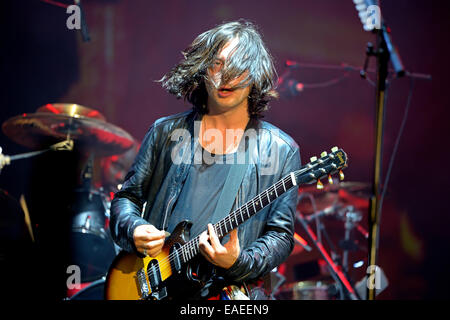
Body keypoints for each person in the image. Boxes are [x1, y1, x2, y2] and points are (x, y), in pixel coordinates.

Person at [109, 20, 301, 299]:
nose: (226, 76)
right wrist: (134, 228)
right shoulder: (165, 132)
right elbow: (127, 198)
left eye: (239, 66)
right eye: (218, 64)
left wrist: (238, 263)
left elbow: (281, 236)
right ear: (203, 70)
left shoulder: (281, 150)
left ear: (256, 75)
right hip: (152, 284)